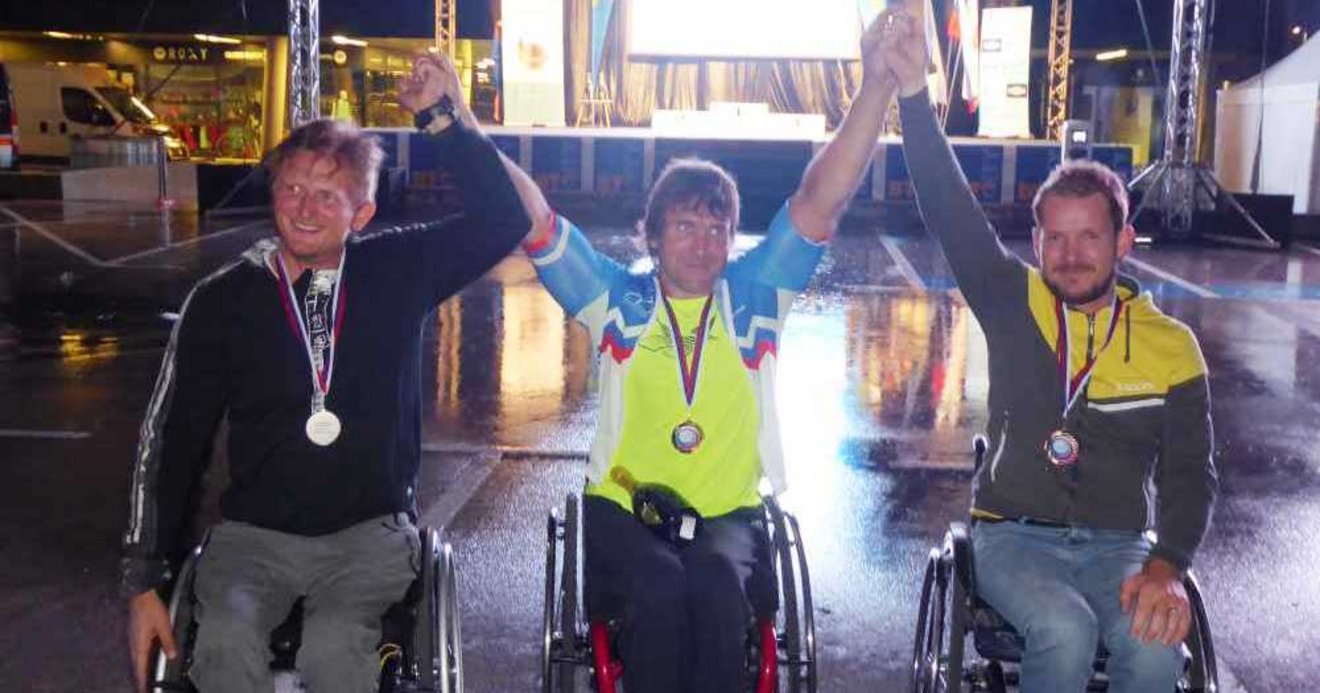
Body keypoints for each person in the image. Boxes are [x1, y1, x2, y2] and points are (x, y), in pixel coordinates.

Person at [493, 13, 901, 693]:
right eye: (685, 225)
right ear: (651, 237)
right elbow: (536, 221)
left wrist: (877, 87)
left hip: (727, 516)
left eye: (718, 228)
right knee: (657, 586)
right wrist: (458, 122)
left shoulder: (755, 295)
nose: (704, 242)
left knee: (714, 586)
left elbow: (819, 198)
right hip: (625, 510)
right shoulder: (617, 301)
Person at [119, 54, 529, 693]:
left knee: (338, 651)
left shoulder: (397, 271)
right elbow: (174, 440)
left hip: (368, 539)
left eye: (327, 195)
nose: (304, 208)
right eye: (291, 188)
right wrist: (146, 580)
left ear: (360, 213)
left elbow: (504, 220)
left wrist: (442, 119)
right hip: (253, 540)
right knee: (223, 645)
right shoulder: (223, 299)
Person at [879, 8, 1217, 692]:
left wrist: (1167, 565)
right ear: (1035, 245)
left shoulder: (1173, 348)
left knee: (1156, 651)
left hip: (1121, 546)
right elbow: (948, 206)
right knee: (1064, 629)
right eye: (1055, 238)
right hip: (1013, 536)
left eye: (1090, 236)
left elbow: (1189, 475)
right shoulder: (1013, 299)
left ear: (1123, 243)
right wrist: (913, 92)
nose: (1071, 254)